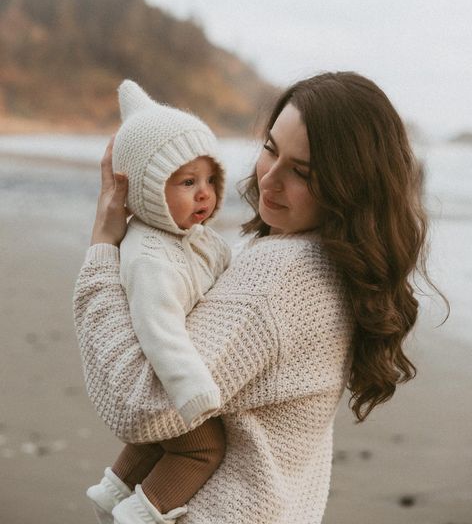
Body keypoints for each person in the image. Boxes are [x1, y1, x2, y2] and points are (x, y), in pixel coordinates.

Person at [74, 71, 435, 524]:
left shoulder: (280, 276)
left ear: (351, 186)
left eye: (301, 172)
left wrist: (103, 253)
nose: (269, 179)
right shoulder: (337, 264)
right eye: (270, 148)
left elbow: (142, 407)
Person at [82, 80, 232, 524]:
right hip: (166, 375)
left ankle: (113, 490)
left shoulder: (194, 237)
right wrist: (193, 391)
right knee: (203, 446)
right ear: (148, 189)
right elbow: (157, 326)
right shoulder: (150, 257)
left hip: (170, 370)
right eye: (188, 182)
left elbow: (222, 272)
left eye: (210, 179)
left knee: (159, 440)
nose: (204, 193)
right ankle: (143, 513)